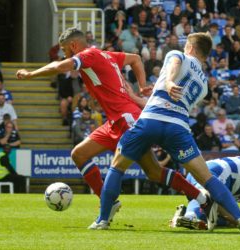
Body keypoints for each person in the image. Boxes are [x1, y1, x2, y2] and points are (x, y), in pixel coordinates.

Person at [16, 28, 214, 228]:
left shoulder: (88, 55)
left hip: (127, 119)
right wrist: (143, 85)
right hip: (113, 121)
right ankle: (107, 202)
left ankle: (199, 196)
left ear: (74, 46)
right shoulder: (106, 55)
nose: (65, 54)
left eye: (66, 50)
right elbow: (136, 58)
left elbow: (61, 66)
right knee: (79, 154)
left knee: (153, 172)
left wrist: (30, 74)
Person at [94, 32, 240, 232]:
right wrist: (147, 93)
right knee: (208, 178)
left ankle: (102, 220)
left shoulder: (178, 55)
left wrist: (168, 82)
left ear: (190, 48)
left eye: (186, 46)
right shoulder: (203, 85)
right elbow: (174, 103)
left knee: (117, 167)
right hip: (177, 128)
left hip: (151, 121)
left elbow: (174, 66)